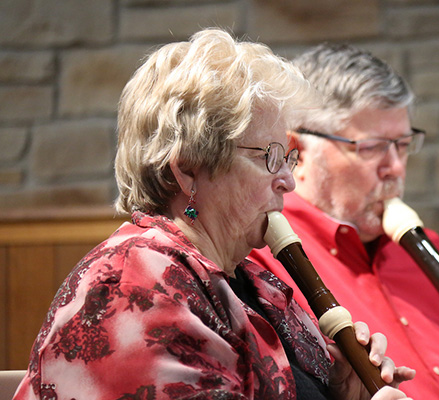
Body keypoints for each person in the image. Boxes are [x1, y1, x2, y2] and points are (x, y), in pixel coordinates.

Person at [12, 30, 415, 400]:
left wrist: (342, 392)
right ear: (188, 169)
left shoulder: (257, 284)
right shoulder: (128, 287)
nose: (289, 182)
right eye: (270, 158)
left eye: (288, 157)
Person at [249, 43, 439, 400]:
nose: (396, 168)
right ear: (297, 152)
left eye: (402, 145)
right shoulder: (263, 250)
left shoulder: (423, 245)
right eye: (371, 147)